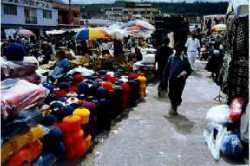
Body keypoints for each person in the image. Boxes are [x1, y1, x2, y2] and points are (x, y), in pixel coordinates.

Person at [162, 42, 192, 115]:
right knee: (171, 94)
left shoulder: (184, 59)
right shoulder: (171, 58)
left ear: (181, 50)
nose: (178, 51)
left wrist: (184, 73)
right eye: (177, 49)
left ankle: (174, 107)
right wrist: (164, 79)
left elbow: (189, 70)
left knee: (178, 94)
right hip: (172, 79)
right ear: (175, 49)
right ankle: (173, 105)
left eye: (180, 49)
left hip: (180, 81)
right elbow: (167, 69)